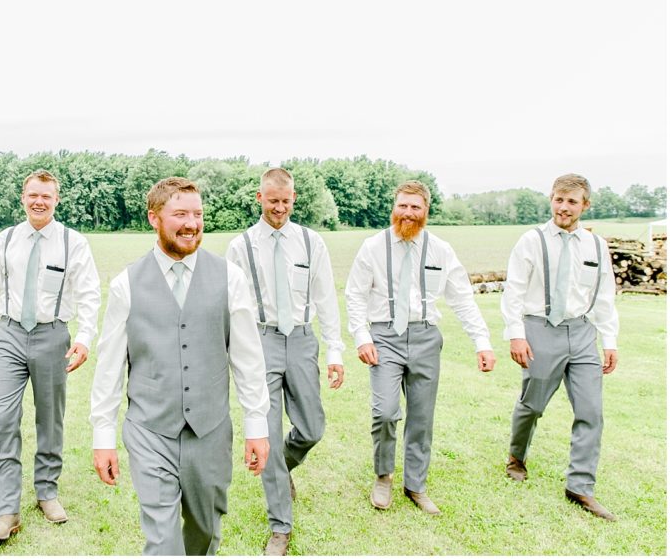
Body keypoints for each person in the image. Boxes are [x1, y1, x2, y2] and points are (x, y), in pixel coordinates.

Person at [90, 176, 271, 556]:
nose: (192, 223)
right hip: (149, 430)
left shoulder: (230, 278)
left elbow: (248, 359)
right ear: (154, 218)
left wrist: (257, 426)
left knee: (205, 532)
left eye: (198, 214)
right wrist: (103, 436)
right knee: (162, 540)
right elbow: (109, 366)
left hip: (210, 430)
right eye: (180, 214)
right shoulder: (126, 283)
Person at [344, 180, 495, 515]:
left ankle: (416, 485)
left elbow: (461, 298)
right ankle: (383, 475)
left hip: (426, 337)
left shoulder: (441, 250)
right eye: (403, 206)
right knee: (385, 412)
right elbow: (355, 294)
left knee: (422, 417)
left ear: (426, 210)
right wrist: (362, 336)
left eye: (415, 207)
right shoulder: (373, 247)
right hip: (384, 336)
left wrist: (482, 342)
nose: (408, 213)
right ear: (393, 207)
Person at [0, 169, 101, 541]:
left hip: (52, 335)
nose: (39, 201)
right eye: (33, 195)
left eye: (46, 196)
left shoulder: (72, 242)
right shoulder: (7, 239)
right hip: (10, 334)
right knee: (3, 419)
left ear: (56, 200)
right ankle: (6, 510)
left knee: (50, 418)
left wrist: (85, 337)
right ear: (23, 197)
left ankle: (47, 491)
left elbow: (90, 291)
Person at [225, 167, 344, 556]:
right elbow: (234, 307)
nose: (279, 208)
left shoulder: (311, 243)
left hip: (303, 340)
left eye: (286, 201)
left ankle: (282, 467)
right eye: (273, 201)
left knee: (312, 427)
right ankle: (280, 524)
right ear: (260, 198)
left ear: (294, 199)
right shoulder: (241, 247)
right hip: (261, 341)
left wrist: (336, 351)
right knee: (269, 435)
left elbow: (326, 299)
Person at [501, 173, 618, 520]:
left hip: (582, 334)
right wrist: (516, 334)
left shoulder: (596, 246)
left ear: (585, 205)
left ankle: (579, 486)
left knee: (591, 411)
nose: (564, 207)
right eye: (558, 199)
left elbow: (605, 296)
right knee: (533, 404)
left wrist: (609, 340)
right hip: (540, 330)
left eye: (572, 201)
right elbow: (515, 290)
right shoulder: (532, 240)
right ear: (551, 200)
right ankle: (516, 456)